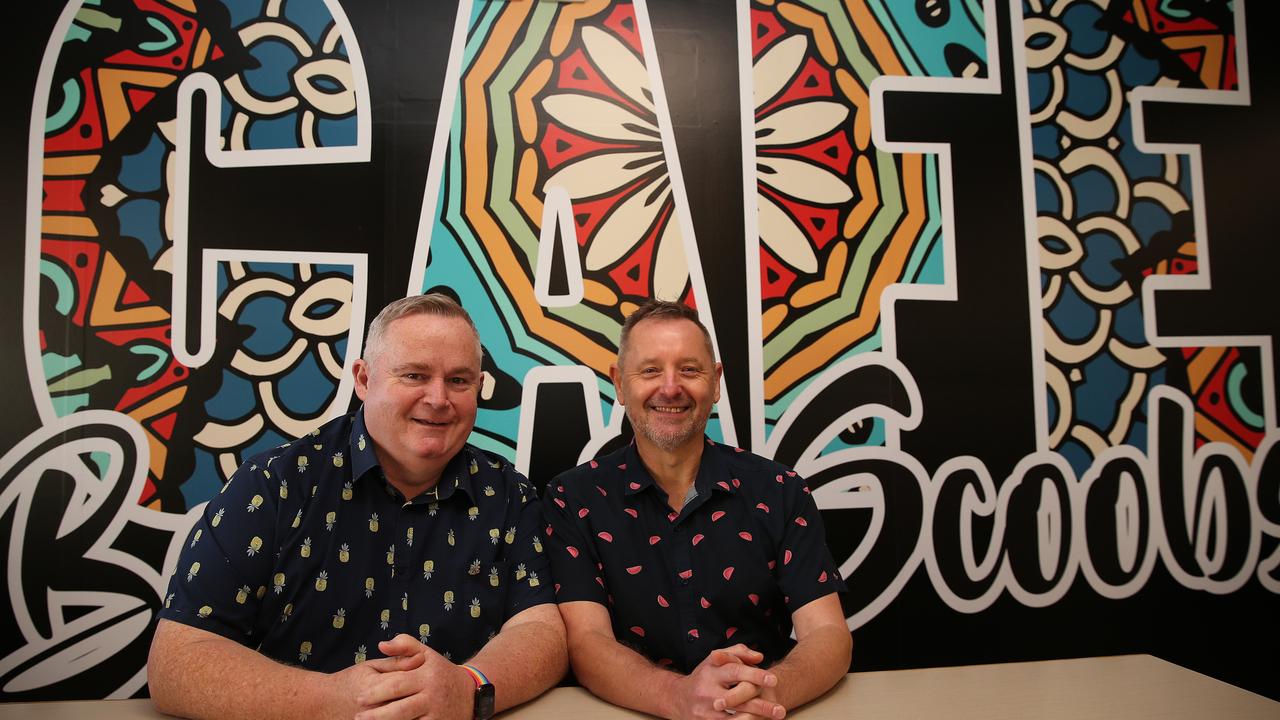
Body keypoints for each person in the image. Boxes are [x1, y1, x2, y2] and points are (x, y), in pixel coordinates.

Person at [148, 294, 567, 720]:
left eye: (459, 381)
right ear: (364, 380)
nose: (438, 398)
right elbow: (176, 661)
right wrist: (330, 699)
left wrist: (470, 687)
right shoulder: (275, 485)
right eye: (414, 375)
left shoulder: (509, 494)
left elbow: (541, 630)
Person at [543, 300, 851, 720]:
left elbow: (829, 633)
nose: (670, 388)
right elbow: (587, 642)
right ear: (618, 383)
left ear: (717, 381)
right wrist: (679, 696)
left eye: (689, 369)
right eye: (650, 370)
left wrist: (771, 696)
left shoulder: (780, 490)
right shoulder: (572, 499)